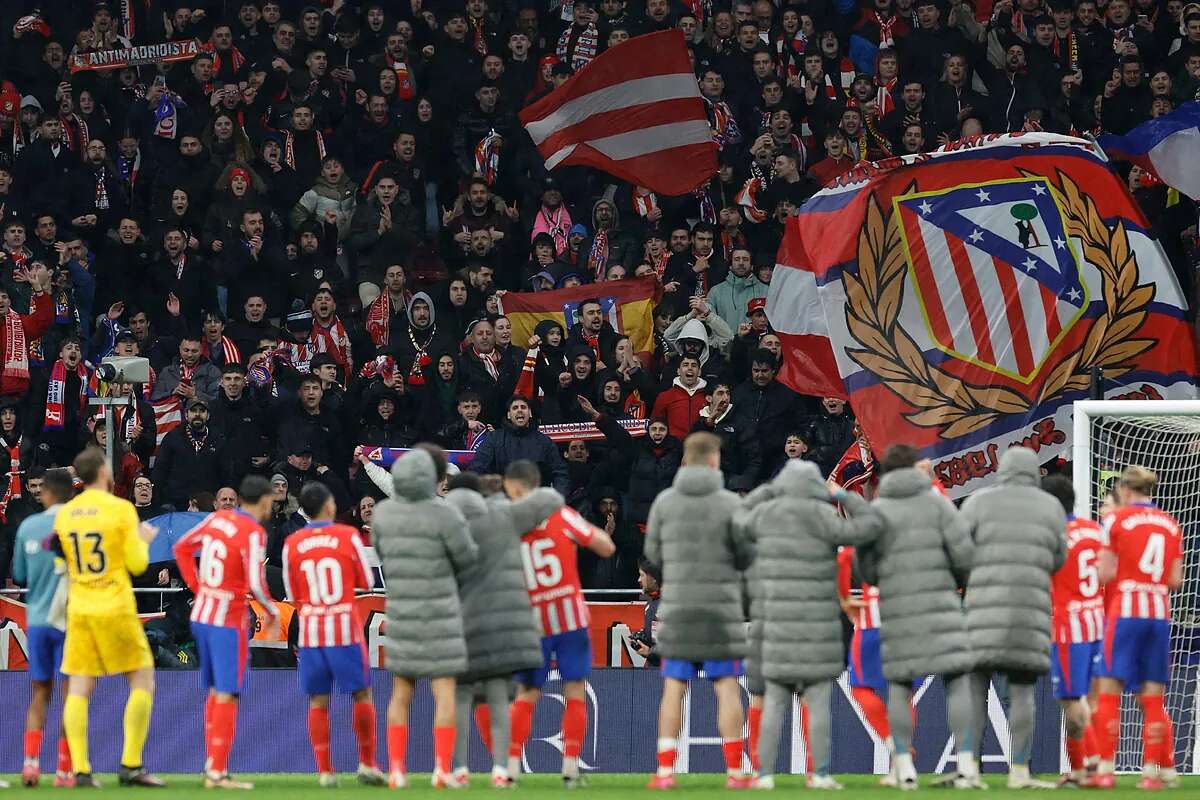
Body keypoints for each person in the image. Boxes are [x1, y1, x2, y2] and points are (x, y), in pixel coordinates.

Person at [742, 459, 883, 790]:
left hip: (774, 621)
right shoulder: (825, 518)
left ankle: (763, 775)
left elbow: (733, 519)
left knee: (773, 698)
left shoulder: (766, 517)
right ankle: (818, 774)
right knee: (816, 700)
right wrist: (843, 496)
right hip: (818, 625)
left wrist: (766, 491)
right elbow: (870, 525)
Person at [861, 445, 976, 790]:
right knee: (956, 681)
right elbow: (965, 556)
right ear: (915, 469)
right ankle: (967, 765)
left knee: (898, 685)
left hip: (897, 609)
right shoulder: (939, 505)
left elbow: (864, 567)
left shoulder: (876, 512)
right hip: (941, 603)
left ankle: (905, 765)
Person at [644, 432, 754, 789]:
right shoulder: (730, 505)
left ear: (685, 460)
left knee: (674, 686)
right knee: (725, 686)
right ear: (713, 461)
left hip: (677, 607)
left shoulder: (665, 503)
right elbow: (746, 555)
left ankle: (664, 772)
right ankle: (735, 772)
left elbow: (653, 556)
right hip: (721, 610)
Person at [443, 470, 564, 787]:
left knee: (461, 698)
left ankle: (459, 770)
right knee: (498, 698)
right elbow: (552, 498)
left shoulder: (449, 526)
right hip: (503, 626)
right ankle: (502, 769)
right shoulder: (505, 519)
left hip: (464, 624)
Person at [54, 447, 164, 787]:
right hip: (115, 606)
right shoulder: (121, 509)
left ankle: (82, 770)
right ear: (103, 472)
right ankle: (130, 765)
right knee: (142, 679)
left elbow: (61, 566)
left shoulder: (65, 514)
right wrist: (144, 540)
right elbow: (137, 565)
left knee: (80, 687)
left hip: (81, 608)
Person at [959, 446, 1067, 789]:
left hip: (979, 612)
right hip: (1027, 614)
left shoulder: (977, 502)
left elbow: (959, 554)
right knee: (1020, 694)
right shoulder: (1049, 506)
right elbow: (1060, 558)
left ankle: (969, 770)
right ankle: (1020, 771)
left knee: (974, 692)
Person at [503, 459, 615, 788]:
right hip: (570, 617)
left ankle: (510, 767)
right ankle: (570, 768)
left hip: (531, 620)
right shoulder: (561, 514)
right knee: (575, 691)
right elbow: (606, 547)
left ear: (514, 487)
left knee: (526, 694)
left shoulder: (507, 524)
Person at [372, 445, 478, 788]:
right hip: (442, 613)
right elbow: (467, 559)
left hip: (402, 613)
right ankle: (441, 770)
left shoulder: (385, 514)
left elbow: (382, 550)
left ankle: (398, 771)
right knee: (444, 692)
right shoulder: (446, 514)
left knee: (400, 693)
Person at [171, 474, 278, 789]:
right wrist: (272, 612)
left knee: (217, 691)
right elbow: (257, 583)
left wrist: (198, 586)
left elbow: (181, 548)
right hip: (227, 619)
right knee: (229, 693)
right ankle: (217, 772)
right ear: (261, 501)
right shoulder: (253, 531)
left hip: (202, 615)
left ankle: (212, 767)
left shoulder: (216, 520)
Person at [282, 482, 385, 788]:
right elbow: (366, 581)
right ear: (328, 507)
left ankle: (325, 771)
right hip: (343, 628)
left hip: (312, 630)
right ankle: (367, 764)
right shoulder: (348, 535)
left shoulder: (293, 543)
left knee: (318, 701)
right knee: (362, 694)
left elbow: (292, 592)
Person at [1092, 466, 1184, 790]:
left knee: (1109, 691)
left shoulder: (1115, 521)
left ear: (1125, 491)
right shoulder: (1171, 524)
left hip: (1126, 612)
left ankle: (1105, 770)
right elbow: (1176, 580)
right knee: (1153, 697)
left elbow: (1104, 573)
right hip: (1159, 614)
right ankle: (1150, 774)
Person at [1041, 475, 1105, 788]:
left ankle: (1094, 766)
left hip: (1069, 626)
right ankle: (1080, 771)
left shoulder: (1052, 535)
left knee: (1070, 698)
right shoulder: (1095, 530)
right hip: (1097, 620)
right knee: (1089, 700)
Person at [13, 467, 75, 787]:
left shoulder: (28, 527)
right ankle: (64, 771)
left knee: (39, 692)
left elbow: (20, 576)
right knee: (70, 695)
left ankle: (31, 764)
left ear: (47, 493)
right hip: (71, 620)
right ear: (71, 493)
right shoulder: (81, 527)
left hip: (37, 621)